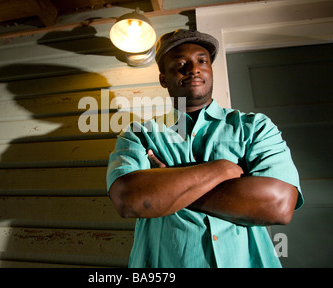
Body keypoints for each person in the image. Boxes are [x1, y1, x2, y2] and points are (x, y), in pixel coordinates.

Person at [106, 29, 303, 268]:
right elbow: (129, 201)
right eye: (180, 63)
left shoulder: (254, 128)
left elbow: (278, 206)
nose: (193, 69)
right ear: (163, 79)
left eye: (202, 61)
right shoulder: (139, 134)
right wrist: (221, 170)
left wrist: (170, 186)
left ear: (210, 71)